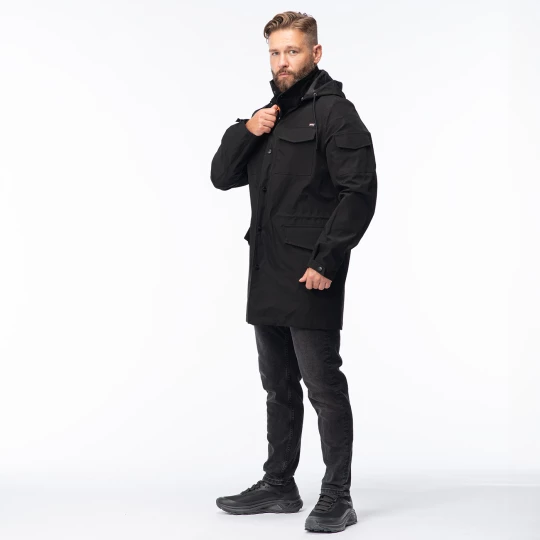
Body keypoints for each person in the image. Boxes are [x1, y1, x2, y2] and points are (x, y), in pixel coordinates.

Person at [210, 11, 377, 534]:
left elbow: (359, 192)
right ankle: (279, 484)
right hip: (267, 271)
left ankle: (338, 496)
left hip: (311, 275)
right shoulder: (269, 116)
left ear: (315, 53)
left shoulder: (335, 114)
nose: (283, 62)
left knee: (323, 386)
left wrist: (327, 261)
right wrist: (247, 129)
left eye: (293, 51)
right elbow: (221, 176)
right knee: (278, 387)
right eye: (275, 53)